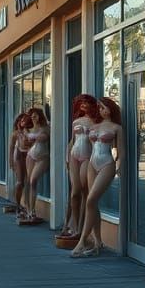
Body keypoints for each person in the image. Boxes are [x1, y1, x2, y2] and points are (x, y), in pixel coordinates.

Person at [72, 97, 123, 257]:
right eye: (100, 108)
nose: (103, 110)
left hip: (107, 163)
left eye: (106, 107)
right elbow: (80, 142)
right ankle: (97, 242)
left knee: (91, 200)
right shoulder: (95, 126)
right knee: (93, 203)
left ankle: (82, 242)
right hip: (92, 164)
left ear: (112, 109)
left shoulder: (117, 128)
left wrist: (119, 167)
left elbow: (121, 152)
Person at [61, 94, 98, 238]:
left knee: (83, 190)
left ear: (92, 105)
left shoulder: (96, 122)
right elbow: (72, 140)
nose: (84, 105)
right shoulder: (76, 121)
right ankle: (74, 224)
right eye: (81, 102)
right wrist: (66, 157)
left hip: (87, 157)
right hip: (74, 155)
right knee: (74, 192)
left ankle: (80, 228)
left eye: (87, 102)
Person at [20, 107, 50, 224]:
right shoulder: (29, 129)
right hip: (31, 156)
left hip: (43, 157)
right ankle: (29, 210)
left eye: (36, 115)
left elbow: (43, 137)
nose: (34, 117)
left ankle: (31, 210)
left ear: (40, 116)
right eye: (32, 116)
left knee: (33, 180)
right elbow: (24, 144)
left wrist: (30, 136)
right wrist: (26, 135)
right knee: (28, 181)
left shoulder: (46, 128)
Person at [8, 112, 32, 211]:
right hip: (18, 156)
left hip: (29, 156)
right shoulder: (15, 134)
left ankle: (26, 204)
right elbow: (11, 148)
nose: (23, 122)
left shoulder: (29, 132)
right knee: (20, 181)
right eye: (21, 120)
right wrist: (10, 161)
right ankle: (17, 204)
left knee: (28, 181)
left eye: (25, 120)